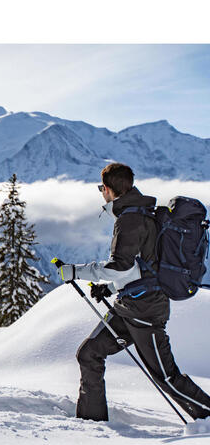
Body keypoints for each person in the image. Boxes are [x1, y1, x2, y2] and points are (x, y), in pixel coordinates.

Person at [56, 162, 210, 421]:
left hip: (145, 311)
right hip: (130, 305)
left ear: (107, 189)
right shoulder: (135, 213)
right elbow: (141, 265)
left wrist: (75, 272)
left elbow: (120, 265)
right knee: (89, 353)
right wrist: (110, 287)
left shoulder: (131, 219)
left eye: (100, 188)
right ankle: (91, 422)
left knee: (166, 376)